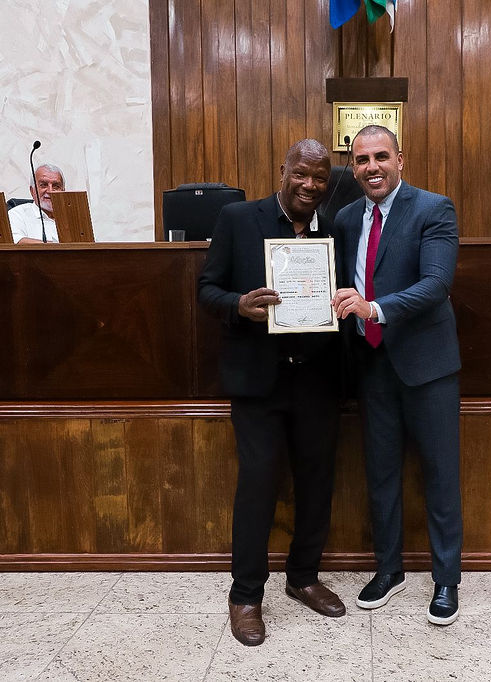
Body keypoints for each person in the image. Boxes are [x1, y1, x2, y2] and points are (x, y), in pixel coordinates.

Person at [197, 139, 344, 647]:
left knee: (317, 481)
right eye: (301, 174)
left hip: (318, 379)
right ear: (282, 170)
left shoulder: (336, 228)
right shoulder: (238, 218)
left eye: (320, 177)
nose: (310, 185)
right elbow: (206, 289)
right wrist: (238, 304)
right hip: (257, 380)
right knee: (258, 484)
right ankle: (245, 596)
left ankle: (303, 577)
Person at [330, 125, 463, 626]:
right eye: (361, 160)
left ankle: (446, 578)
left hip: (427, 366)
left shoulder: (434, 208)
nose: (371, 167)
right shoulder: (344, 218)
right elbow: (339, 280)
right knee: (380, 472)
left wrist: (373, 308)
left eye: (380, 156)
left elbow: (436, 284)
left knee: (440, 473)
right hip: (371, 364)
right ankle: (389, 570)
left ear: (400, 160)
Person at [10, 164, 64, 243]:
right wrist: (58, 248)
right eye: (43, 185)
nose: (50, 191)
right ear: (32, 191)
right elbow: (17, 241)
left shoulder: (73, 217)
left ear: (63, 191)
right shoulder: (17, 214)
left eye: (56, 186)